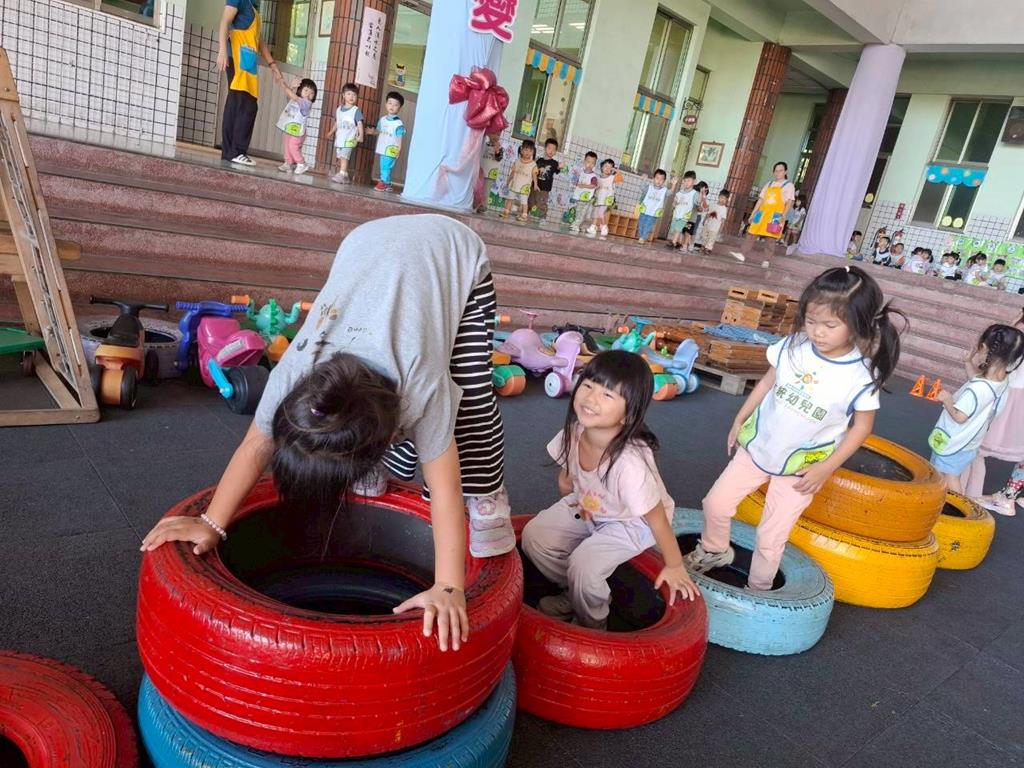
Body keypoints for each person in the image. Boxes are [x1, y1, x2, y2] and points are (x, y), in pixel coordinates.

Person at [140, 215, 514, 652]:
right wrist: (211, 522)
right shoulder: (294, 374)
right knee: (420, 421)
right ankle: (376, 458)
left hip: (451, 251)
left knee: (469, 397)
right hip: (367, 244)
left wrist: (449, 586)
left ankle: (488, 491)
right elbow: (256, 443)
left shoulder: (421, 387)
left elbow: (446, 488)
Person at [686, 265, 902, 591]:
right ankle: (715, 550)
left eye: (830, 325)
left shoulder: (860, 376)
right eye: (811, 321)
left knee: (770, 536)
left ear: (858, 323)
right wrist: (741, 417)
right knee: (715, 503)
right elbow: (767, 382)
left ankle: (758, 590)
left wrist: (826, 468)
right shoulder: (792, 346)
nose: (817, 332)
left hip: (802, 467)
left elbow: (861, 428)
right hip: (758, 446)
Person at [521, 351, 699, 629]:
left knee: (585, 565)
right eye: (588, 385)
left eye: (607, 395)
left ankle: (592, 623)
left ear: (629, 414)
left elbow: (657, 519)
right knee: (535, 536)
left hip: (633, 521)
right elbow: (566, 480)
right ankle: (575, 593)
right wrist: (576, 510)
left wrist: (675, 565)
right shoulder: (574, 431)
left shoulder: (630, 463)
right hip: (592, 505)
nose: (591, 398)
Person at [928, 324, 1024, 493]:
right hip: (971, 442)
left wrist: (947, 400)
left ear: (984, 348)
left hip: (955, 441)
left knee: (949, 477)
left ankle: (957, 506)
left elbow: (960, 417)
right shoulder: (1000, 381)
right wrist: (968, 362)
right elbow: (977, 379)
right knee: (949, 474)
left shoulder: (977, 390)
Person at [965, 308, 1024, 516]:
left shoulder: (1017, 332)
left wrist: (1014, 323)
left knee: (975, 447)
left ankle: (969, 497)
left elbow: (1005, 357)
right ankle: (1008, 497)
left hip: (1012, 391)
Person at [218, 0, 281, 166]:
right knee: (244, 105)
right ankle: (236, 151)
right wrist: (222, 51)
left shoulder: (253, 7)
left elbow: (259, 40)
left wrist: (272, 64)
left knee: (241, 103)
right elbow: (225, 21)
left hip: (247, 62)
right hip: (237, 59)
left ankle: (230, 152)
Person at [745, 161, 795, 249]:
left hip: (775, 216)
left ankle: (766, 257)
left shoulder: (789, 185)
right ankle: (744, 253)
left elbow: (789, 202)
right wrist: (752, 214)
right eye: (776, 171)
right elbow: (760, 200)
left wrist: (783, 215)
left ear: (785, 172)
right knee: (751, 233)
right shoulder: (769, 184)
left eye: (780, 170)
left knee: (771, 239)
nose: (778, 173)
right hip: (761, 213)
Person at [273, 76, 317, 176]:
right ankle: (288, 163)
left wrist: (284, 84)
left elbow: (293, 96)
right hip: (290, 128)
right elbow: (289, 97)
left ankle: (301, 163)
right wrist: (292, 87)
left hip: (299, 131)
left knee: (293, 146)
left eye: (312, 93)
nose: (308, 94)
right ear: (300, 90)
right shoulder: (295, 100)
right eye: (306, 90)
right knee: (287, 145)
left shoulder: (307, 103)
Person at [324, 83, 364, 185]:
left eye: (354, 95)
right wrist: (331, 132)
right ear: (343, 95)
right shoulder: (339, 110)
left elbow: (359, 123)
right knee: (341, 156)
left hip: (350, 139)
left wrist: (361, 135)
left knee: (344, 156)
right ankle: (345, 176)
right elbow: (337, 123)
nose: (351, 97)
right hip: (340, 139)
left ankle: (341, 174)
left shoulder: (356, 110)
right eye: (349, 94)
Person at [371, 91, 406, 192]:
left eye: (395, 105)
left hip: (391, 148)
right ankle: (387, 183)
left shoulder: (398, 123)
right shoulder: (382, 120)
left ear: (400, 108)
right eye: (390, 103)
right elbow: (378, 131)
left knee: (385, 166)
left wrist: (399, 149)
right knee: (385, 165)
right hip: (383, 147)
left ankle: (383, 182)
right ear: (386, 104)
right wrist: (372, 132)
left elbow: (399, 137)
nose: (392, 106)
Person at [501, 141, 539, 221]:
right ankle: (506, 212)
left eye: (530, 150)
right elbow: (513, 173)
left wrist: (535, 184)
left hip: (524, 187)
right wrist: (508, 181)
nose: (528, 152)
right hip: (514, 184)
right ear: (521, 150)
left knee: (524, 202)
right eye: (526, 150)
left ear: (533, 152)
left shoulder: (533, 164)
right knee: (510, 198)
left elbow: (534, 175)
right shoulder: (517, 161)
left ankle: (524, 215)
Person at [587, 159, 619, 241]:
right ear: (601, 167)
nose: (607, 168)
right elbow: (594, 187)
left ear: (612, 169)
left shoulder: (612, 178)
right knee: (595, 214)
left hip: (606, 200)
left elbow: (621, 179)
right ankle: (593, 227)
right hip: (598, 199)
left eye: (610, 167)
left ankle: (604, 227)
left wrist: (617, 171)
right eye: (606, 166)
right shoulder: (597, 178)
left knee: (601, 213)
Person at [566, 151, 599, 233]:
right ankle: (578, 225)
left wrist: (584, 186)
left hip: (586, 199)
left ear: (594, 164)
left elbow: (594, 185)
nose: (590, 164)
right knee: (577, 212)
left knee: (582, 213)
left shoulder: (593, 176)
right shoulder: (581, 172)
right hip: (578, 197)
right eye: (588, 162)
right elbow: (576, 182)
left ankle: (575, 225)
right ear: (584, 161)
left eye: (592, 163)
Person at [529, 138, 561, 221]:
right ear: (545, 148)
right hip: (534, 185)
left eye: (554, 150)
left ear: (555, 152)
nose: (551, 151)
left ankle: (543, 217)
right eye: (549, 148)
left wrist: (559, 167)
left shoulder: (554, 163)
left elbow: (557, 170)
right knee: (531, 200)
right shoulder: (539, 160)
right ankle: (528, 214)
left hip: (545, 189)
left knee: (541, 203)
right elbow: (534, 172)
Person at [667, 171, 698, 250]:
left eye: (689, 181)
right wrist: (674, 203)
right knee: (675, 229)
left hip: (685, 216)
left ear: (694, 182)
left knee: (678, 229)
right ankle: (677, 243)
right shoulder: (679, 192)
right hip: (677, 214)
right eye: (685, 181)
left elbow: (697, 205)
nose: (686, 183)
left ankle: (673, 242)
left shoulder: (695, 193)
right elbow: (675, 202)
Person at [637, 169, 669, 244]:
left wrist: (674, 185)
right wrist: (643, 180)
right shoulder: (649, 187)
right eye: (657, 178)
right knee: (641, 223)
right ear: (653, 179)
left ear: (664, 181)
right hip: (645, 210)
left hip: (654, 212)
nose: (659, 181)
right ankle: (641, 236)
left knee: (648, 225)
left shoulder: (664, 190)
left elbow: (670, 193)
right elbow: (642, 188)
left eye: (661, 179)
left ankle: (643, 237)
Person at [698, 188, 730, 253]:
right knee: (704, 236)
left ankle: (708, 249)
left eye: (725, 199)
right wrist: (704, 220)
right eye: (722, 198)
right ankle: (702, 246)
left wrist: (721, 227)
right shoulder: (712, 205)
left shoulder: (724, 209)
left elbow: (723, 219)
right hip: (708, 224)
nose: (723, 200)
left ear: (727, 200)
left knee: (711, 238)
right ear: (719, 197)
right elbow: (708, 213)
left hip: (715, 227)